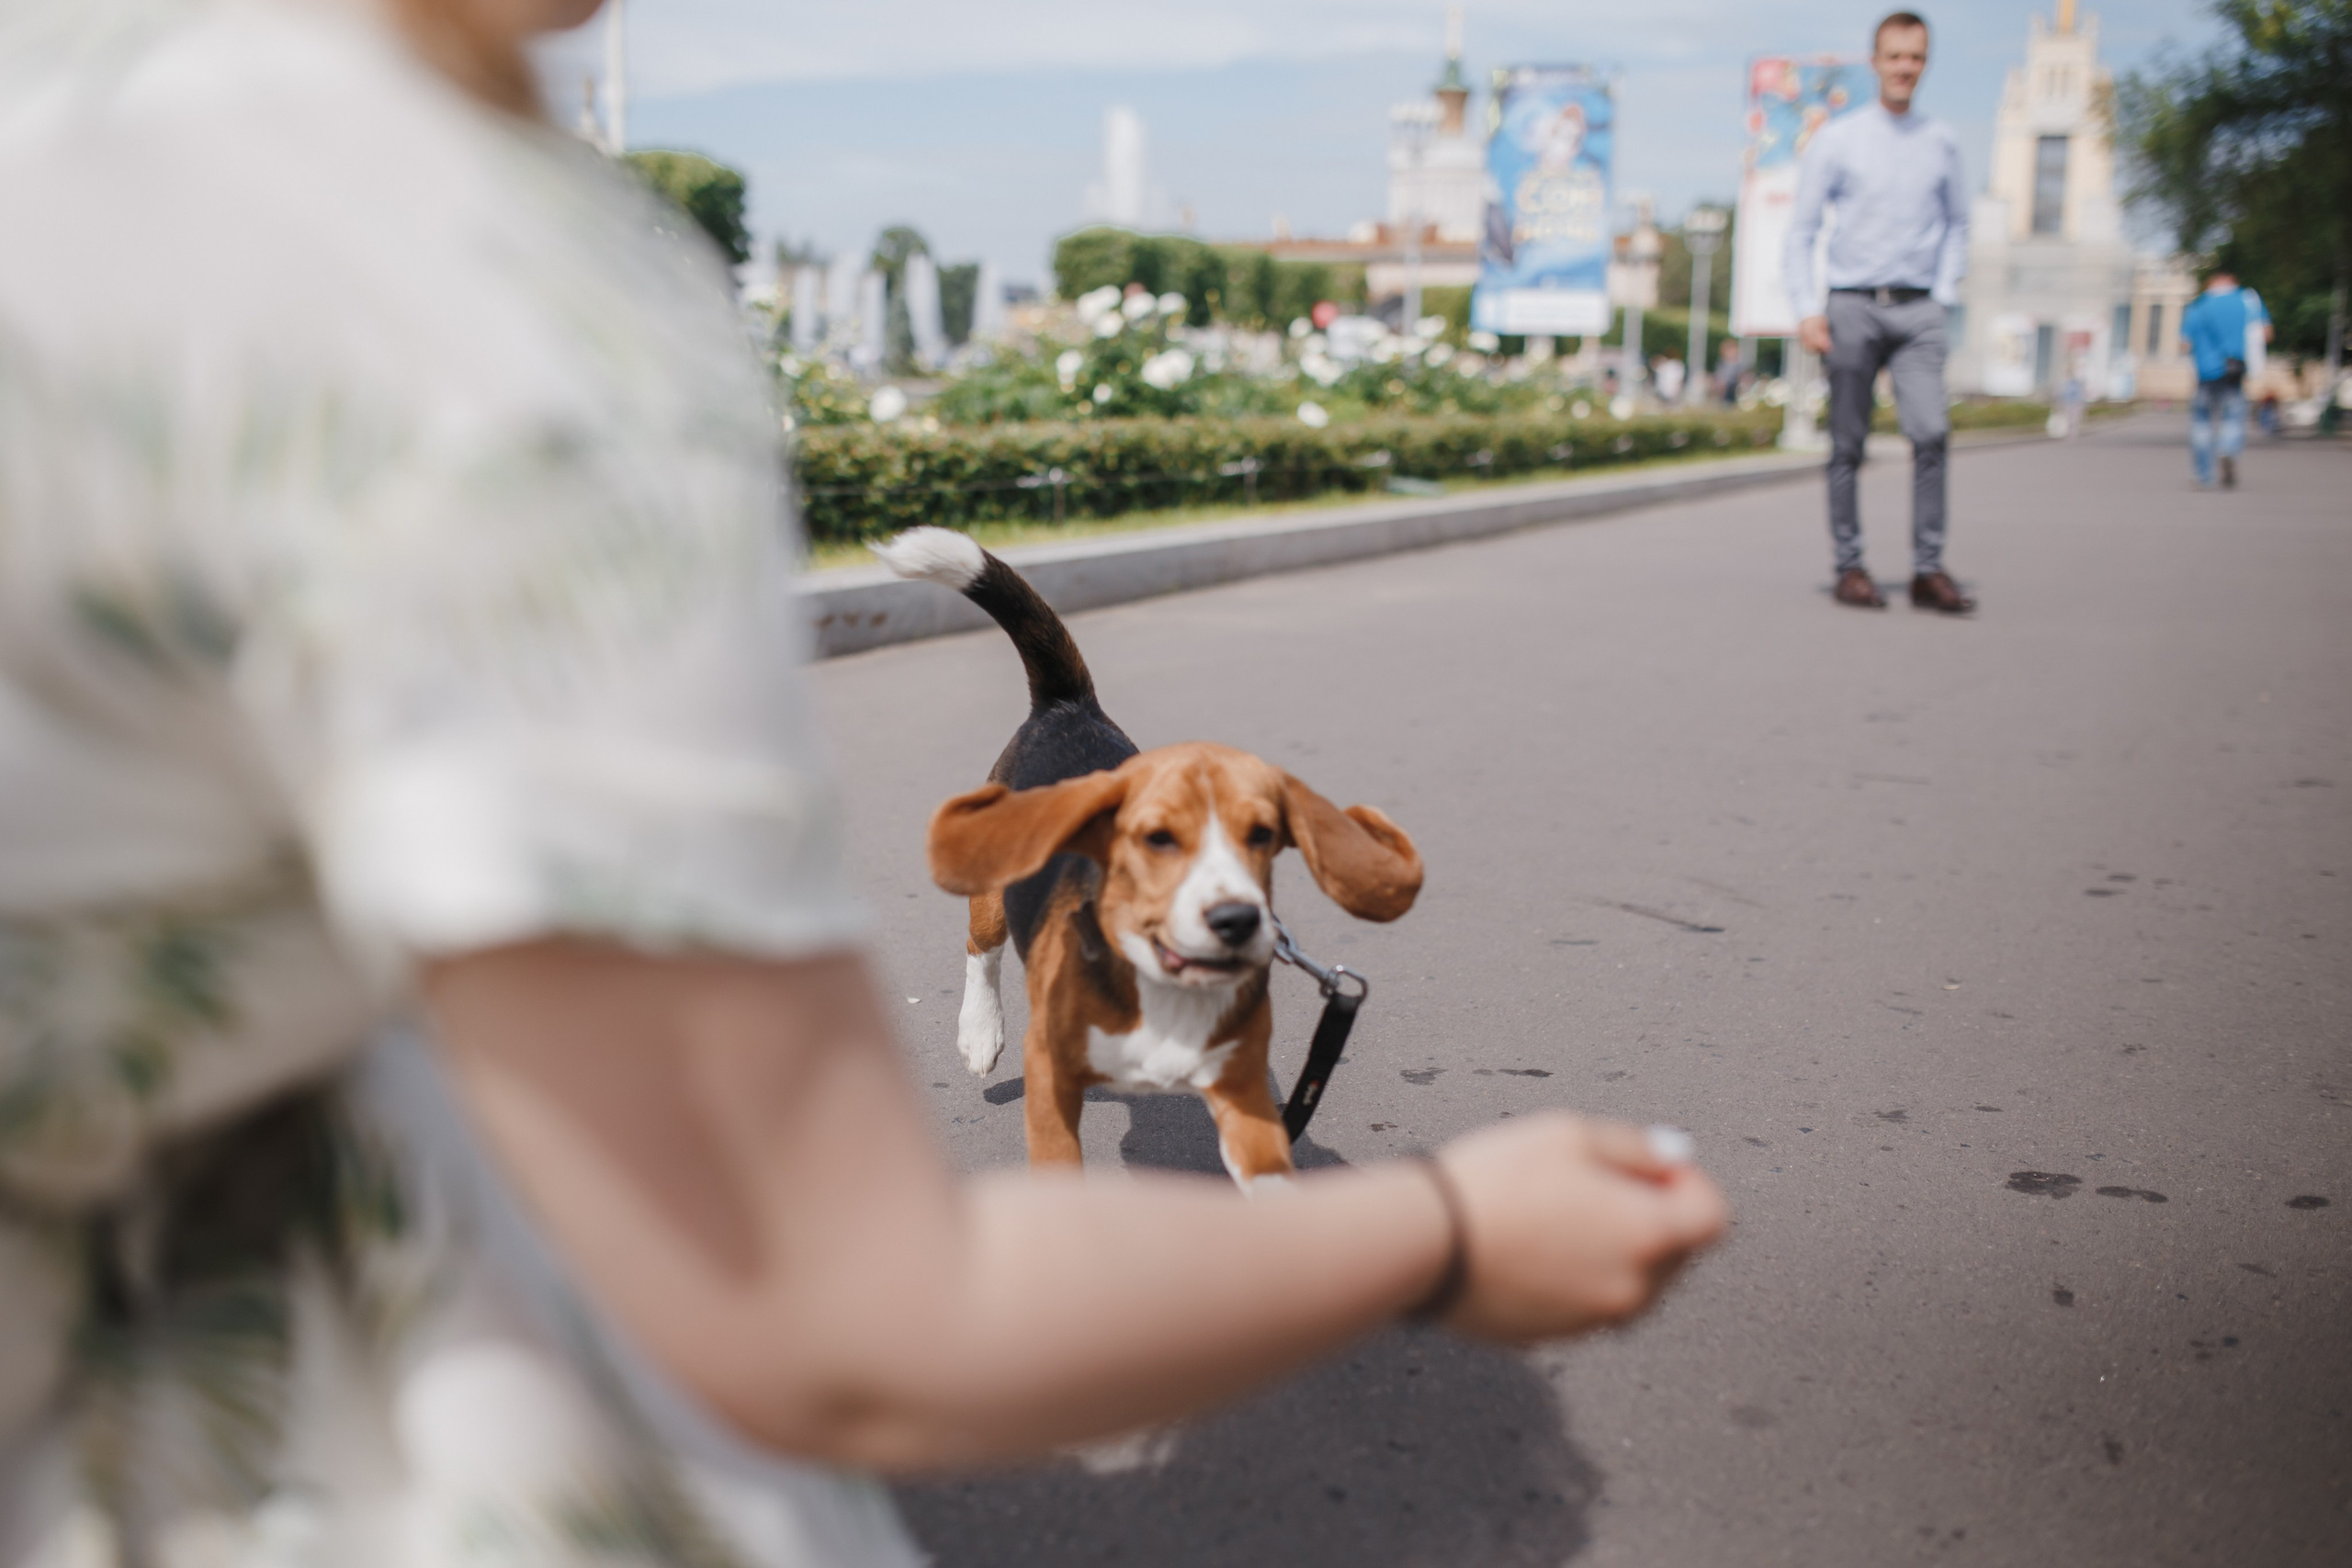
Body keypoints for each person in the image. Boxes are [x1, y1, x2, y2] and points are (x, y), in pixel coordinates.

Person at [0, 0, 1727, 1560]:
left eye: (1258, 846)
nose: (1235, 875)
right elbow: (843, 1308)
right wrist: (1440, 1234)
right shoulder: (482, 278)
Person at [1785, 11, 1973, 615]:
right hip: (1853, 304)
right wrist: (1806, 308)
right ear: (1874, 62)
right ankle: (1850, 566)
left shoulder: (1941, 140)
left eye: (1915, 57)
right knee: (1848, 443)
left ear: (1926, 63)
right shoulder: (1839, 139)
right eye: (1894, 56)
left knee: (1932, 433)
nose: (1904, 68)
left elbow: (1959, 223)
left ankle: (1926, 568)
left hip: (1919, 307)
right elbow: (1802, 230)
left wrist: (1943, 291)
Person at [2178, 268, 2270, 488]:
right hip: (2234, 370)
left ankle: (2203, 476)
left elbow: (2185, 344)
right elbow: (2266, 333)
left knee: (2202, 422)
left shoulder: (2198, 306)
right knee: (2233, 416)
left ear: (2211, 282)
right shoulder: (2247, 301)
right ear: (2232, 280)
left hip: (2205, 373)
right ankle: (2228, 449)